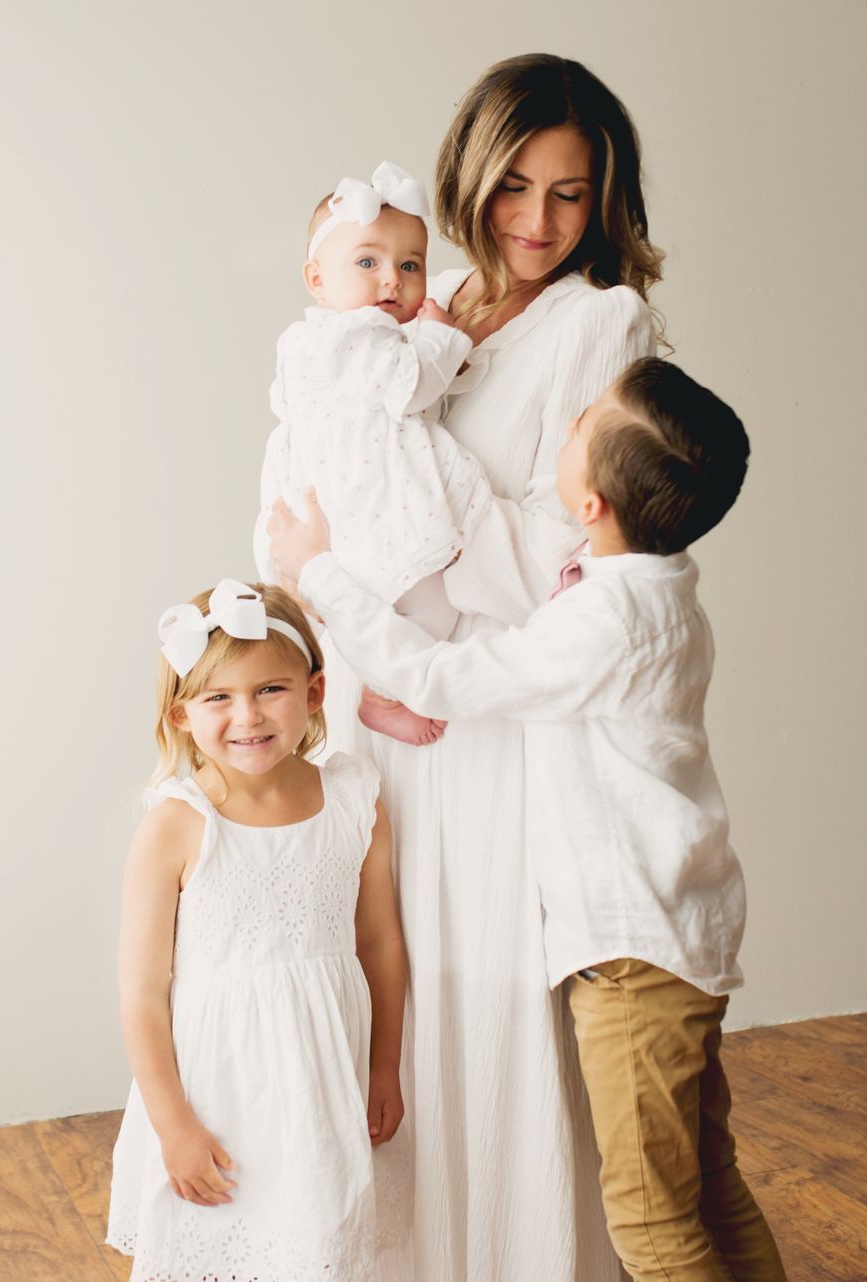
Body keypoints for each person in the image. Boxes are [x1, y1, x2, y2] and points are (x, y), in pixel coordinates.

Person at [254, 53, 667, 1281]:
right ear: (468, 180)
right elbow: (316, 475)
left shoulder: (603, 321)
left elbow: (562, 549)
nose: (536, 223)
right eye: (514, 188)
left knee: (479, 1008)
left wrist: (389, 564)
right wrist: (331, 619)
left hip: (484, 714)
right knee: (386, 1004)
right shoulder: (413, 307)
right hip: (379, 705)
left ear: (606, 205)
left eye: (571, 195)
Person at [268, 356, 787, 1281]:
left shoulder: (606, 624)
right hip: (684, 936)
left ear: (590, 501)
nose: (566, 424)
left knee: (653, 1223)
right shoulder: (653, 586)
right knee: (709, 1180)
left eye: (582, 420)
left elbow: (447, 680)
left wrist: (323, 574)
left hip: (633, 957)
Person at [105, 580, 411, 1281]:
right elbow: (142, 995)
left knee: (317, 1239)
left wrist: (385, 1064)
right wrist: (173, 1125)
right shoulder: (177, 825)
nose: (247, 716)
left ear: (313, 693)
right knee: (222, 1236)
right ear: (182, 715)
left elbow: (380, 943)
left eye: (270, 689)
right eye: (219, 698)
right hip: (220, 1086)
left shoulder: (353, 799)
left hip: (323, 1075)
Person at [258, 162, 492, 748]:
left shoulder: (329, 339)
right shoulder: (349, 336)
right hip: (364, 501)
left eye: (410, 265)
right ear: (317, 279)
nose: (393, 279)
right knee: (430, 598)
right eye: (367, 262)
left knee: (410, 602)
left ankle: (378, 689)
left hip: (352, 496)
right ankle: (384, 692)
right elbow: (412, 384)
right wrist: (441, 335)